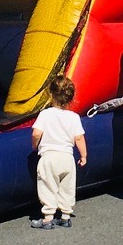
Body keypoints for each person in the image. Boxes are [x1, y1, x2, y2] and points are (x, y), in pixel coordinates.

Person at [31, 76, 87, 229]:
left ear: (51, 94)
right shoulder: (74, 117)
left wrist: (35, 146)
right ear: (71, 96)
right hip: (67, 158)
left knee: (47, 186)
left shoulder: (45, 114)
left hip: (49, 157)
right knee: (67, 187)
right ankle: (65, 216)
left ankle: (48, 218)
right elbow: (79, 138)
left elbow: (36, 133)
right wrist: (83, 155)